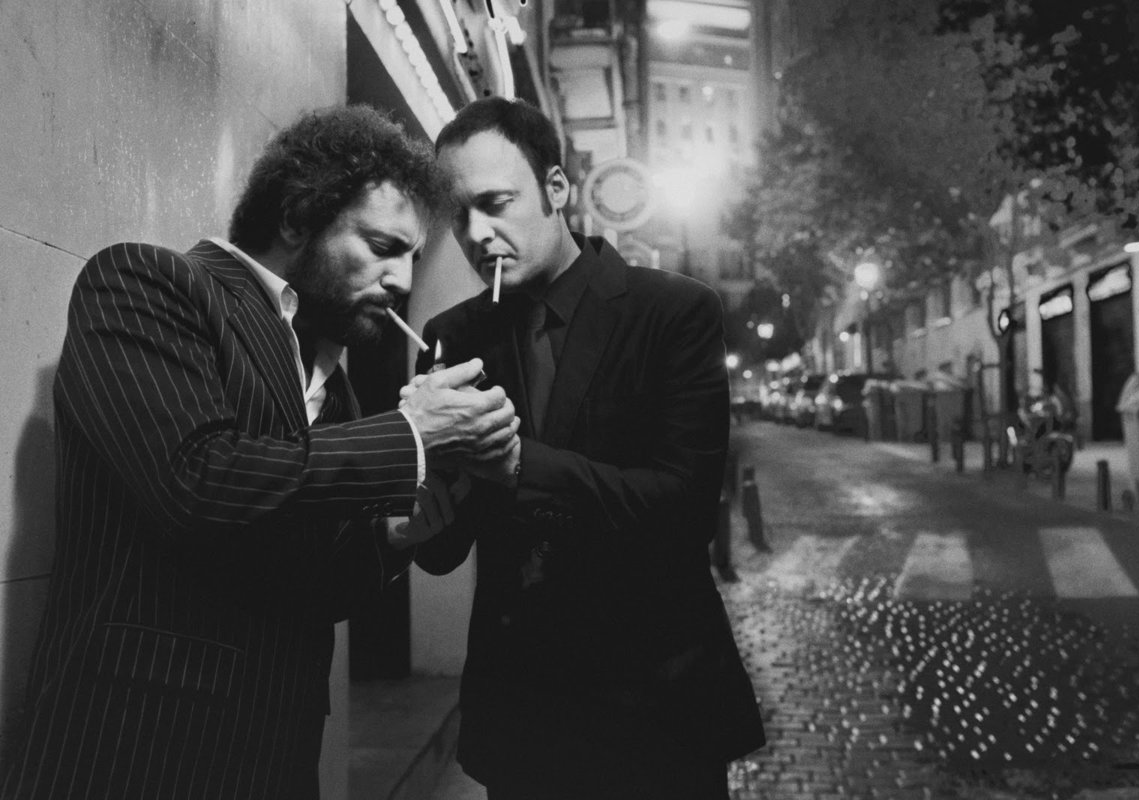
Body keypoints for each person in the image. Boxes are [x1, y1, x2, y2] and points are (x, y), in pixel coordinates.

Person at [1, 106, 516, 800]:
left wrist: (395, 534)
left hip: (273, 752)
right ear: (297, 219)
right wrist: (411, 435)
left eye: (412, 259)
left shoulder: (336, 387)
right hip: (135, 744)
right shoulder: (147, 284)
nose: (401, 279)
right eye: (381, 246)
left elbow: (308, 585)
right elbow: (195, 482)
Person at [412, 96, 765, 800]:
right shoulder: (454, 336)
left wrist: (516, 464)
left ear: (556, 189)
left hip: (655, 706)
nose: (477, 234)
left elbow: (685, 509)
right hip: (523, 716)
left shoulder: (673, 311)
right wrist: (421, 466)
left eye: (496, 203)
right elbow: (442, 550)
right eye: (458, 215)